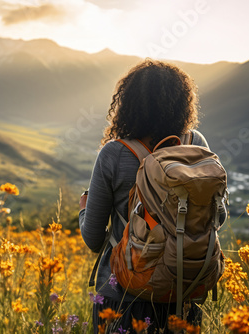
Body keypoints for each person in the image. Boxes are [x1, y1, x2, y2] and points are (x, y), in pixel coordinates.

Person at [79, 59, 209, 333]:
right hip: (183, 290)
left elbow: (93, 239)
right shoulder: (195, 144)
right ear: (182, 103)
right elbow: (215, 217)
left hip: (123, 293)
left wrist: (83, 210)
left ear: (128, 105)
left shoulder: (114, 154)